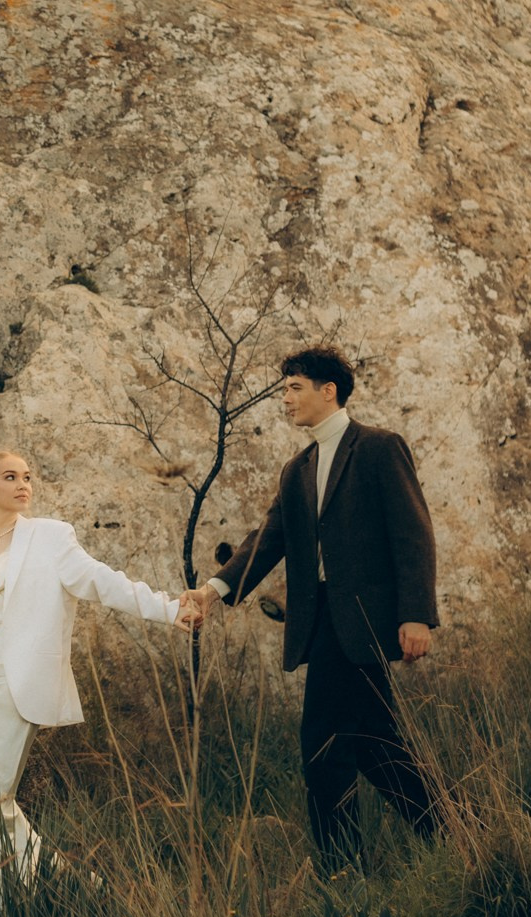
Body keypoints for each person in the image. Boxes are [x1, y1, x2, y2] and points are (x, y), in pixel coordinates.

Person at [177, 345, 441, 867]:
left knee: (323, 745)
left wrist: (416, 614)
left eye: (294, 387)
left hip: (363, 623)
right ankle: (455, 832)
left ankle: (343, 872)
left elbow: (413, 534)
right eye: (284, 389)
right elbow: (268, 538)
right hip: (319, 620)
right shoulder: (297, 469)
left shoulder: (379, 448)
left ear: (329, 391)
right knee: (371, 742)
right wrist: (213, 589)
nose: (285, 398)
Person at [0, 450, 186, 917]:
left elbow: (101, 582)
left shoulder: (49, 538)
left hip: (17, 685)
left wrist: (168, 609)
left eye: (27, 476)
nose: (22, 484)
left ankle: (70, 890)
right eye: (9, 477)